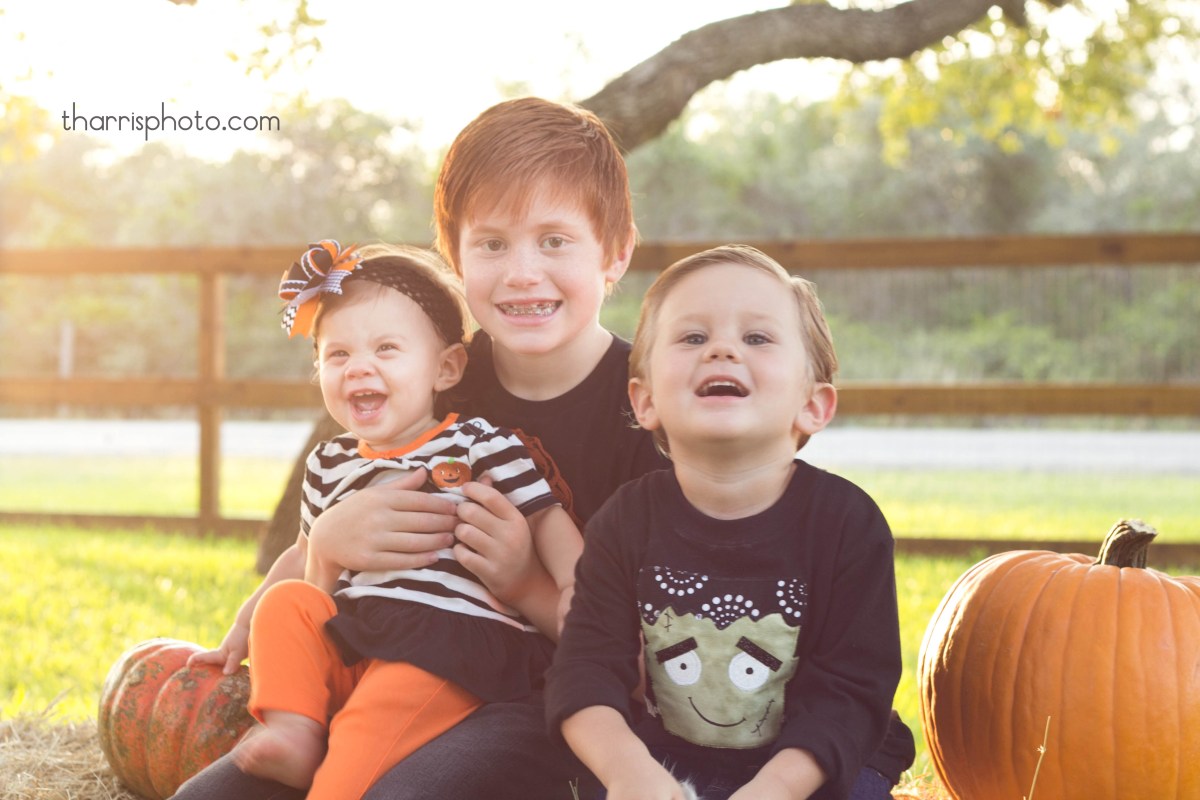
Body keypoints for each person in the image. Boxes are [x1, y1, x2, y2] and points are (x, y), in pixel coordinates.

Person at [173, 97, 665, 800]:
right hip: (380, 664)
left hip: (551, 699)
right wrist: (328, 548)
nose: (523, 272)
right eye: (493, 244)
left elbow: (643, 652)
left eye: (554, 240)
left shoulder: (647, 410)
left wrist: (525, 584)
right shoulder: (424, 378)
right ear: (455, 258)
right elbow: (322, 556)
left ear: (615, 253)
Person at [218, 241, 583, 799]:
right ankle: (293, 731)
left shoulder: (479, 444)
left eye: (387, 349)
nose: (359, 366)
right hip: (354, 641)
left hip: (441, 645)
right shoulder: (329, 462)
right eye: (337, 355)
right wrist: (244, 627)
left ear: (445, 368)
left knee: (361, 750)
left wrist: (577, 591)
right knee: (285, 602)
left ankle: (332, 784)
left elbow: (547, 520)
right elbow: (300, 556)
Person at [545, 245, 904, 800]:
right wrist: (626, 773)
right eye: (692, 338)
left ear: (813, 405)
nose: (721, 350)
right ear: (644, 402)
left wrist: (777, 790)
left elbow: (851, 693)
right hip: (663, 757)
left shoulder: (846, 525)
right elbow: (585, 672)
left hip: (818, 764)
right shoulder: (624, 521)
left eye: (757, 338)